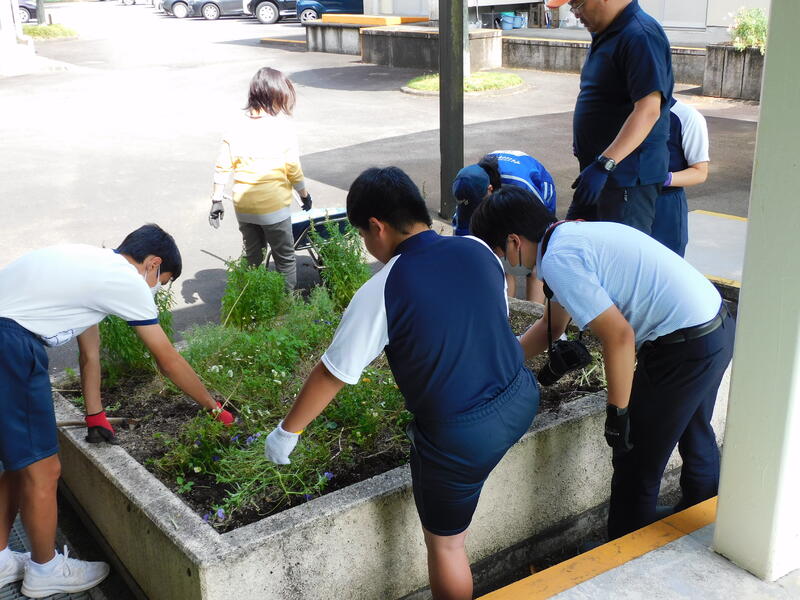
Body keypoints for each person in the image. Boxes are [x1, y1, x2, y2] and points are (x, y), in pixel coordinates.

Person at [264, 167, 539, 600]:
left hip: (463, 436)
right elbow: (496, 323)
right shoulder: (476, 248)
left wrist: (286, 433)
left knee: (447, 545)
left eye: (362, 234)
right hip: (521, 396)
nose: (367, 245)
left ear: (377, 226)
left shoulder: (385, 286)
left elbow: (333, 372)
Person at [470, 186, 734, 541]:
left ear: (513, 241)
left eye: (498, 252)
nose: (503, 262)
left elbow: (619, 337)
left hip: (684, 347)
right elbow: (553, 325)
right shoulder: (568, 237)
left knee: (634, 459)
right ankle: (702, 525)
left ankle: (625, 553)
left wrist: (619, 414)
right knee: (695, 431)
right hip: (716, 325)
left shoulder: (560, 260)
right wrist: (499, 362)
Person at [0, 224, 233, 598]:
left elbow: (89, 354)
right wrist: (213, 407)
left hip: (5, 338)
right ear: (152, 263)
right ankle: (45, 571)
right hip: (9, 346)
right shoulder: (126, 279)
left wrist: (95, 415)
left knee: (19, 463)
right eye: (162, 281)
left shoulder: (89, 267)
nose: (156, 289)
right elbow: (168, 360)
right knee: (43, 469)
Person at [547, 0, 673, 236]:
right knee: (573, 244)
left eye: (578, 4)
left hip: (624, 180)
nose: (575, 14)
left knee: (619, 253)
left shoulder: (640, 35)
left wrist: (605, 163)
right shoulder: (606, 31)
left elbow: (648, 110)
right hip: (598, 174)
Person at [208, 66, 312, 290]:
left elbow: (223, 165)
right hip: (273, 206)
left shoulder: (235, 126)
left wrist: (216, 200)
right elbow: (293, 170)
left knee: (253, 257)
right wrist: (304, 195)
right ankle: (285, 306)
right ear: (274, 95)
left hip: (244, 206)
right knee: (285, 260)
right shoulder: (281, 128)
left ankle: (248, 299)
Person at [452, 151, 556, 303]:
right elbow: (462, 240)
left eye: (478, 206)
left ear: (490, 189)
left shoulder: (522, 185)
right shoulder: (468, 188)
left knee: (536, 262)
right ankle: (507, 308)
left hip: (536, 189)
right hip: (499, 195)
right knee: (502, 257)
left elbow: (539, 222)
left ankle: (534, 312)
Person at [651, 98, 710, 257]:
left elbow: (699, 172)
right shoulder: (620, 111)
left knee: (665, 263)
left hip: (665, 204)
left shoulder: (686, 116)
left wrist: (662, 178)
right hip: (623, 199)